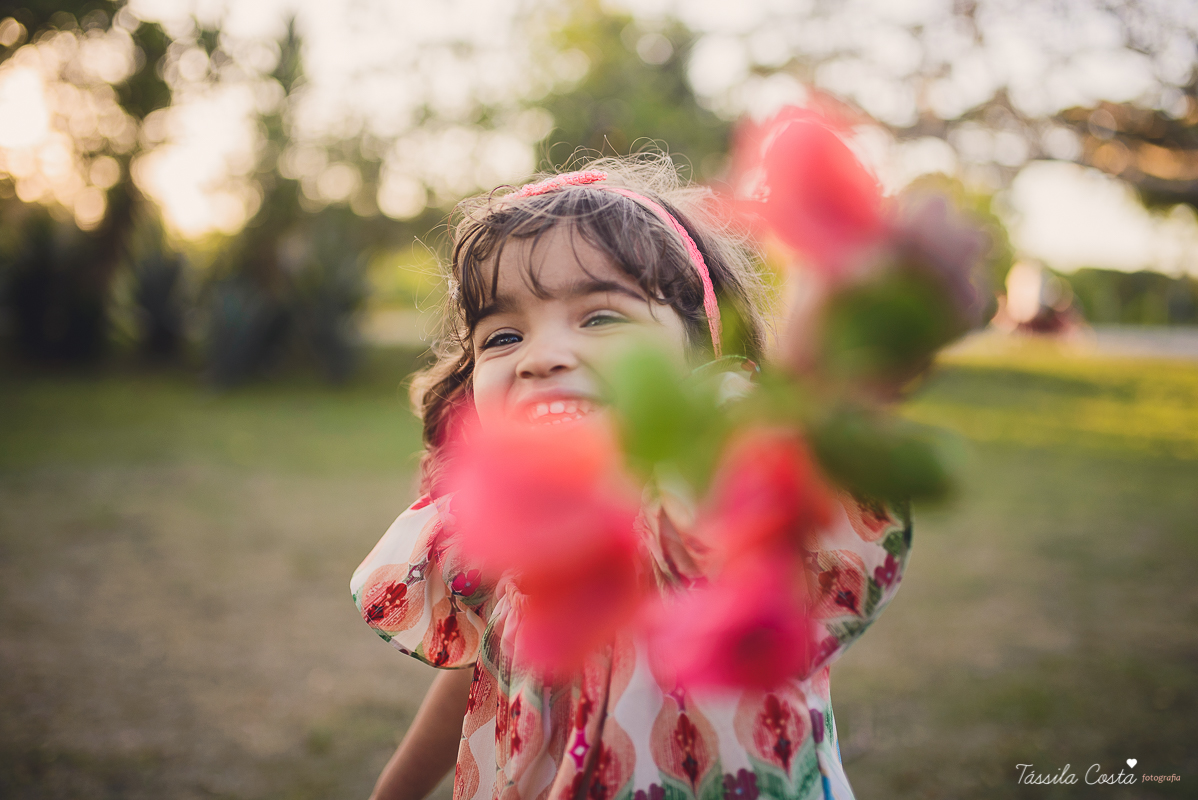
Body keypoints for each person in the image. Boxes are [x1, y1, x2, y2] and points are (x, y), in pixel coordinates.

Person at [351, 157, 912, 800]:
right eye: (503, 336)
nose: (542, 357)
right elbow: (496, 656)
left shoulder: (719, 474)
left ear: (698, 354)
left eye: (600, 318)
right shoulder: (528, 517)